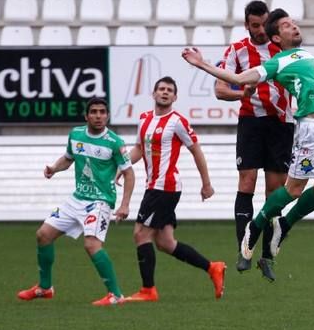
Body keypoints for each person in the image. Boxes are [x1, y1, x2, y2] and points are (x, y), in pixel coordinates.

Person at [182, 9, 314, 267]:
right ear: (275, 38)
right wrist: (202, 64)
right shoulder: (280, 62)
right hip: (312, 132)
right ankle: (256, 225)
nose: (294, 27)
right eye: (286, 25)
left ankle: (284, 224)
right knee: (294, 189)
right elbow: (238, 78)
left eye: (294, 23)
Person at [17, 97, 135, 306]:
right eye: (94, 112)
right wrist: (54, 168)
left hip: (100, 201)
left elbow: (129, 174)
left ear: (107, 115)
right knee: (43, 235)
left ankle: (116, 295)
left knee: (91, 245)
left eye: (102, 112)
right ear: (86, 115)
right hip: (77, 199)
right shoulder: (76, 134)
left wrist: (124, 204)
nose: (98, 116)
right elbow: (68, 158)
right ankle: (45, 288)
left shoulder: (115, 143)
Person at [123, 76, 226, 302]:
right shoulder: (144, 119)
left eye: (170, 90)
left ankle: (148, 290)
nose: (165, 92)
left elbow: (196, 150)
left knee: (140, 234)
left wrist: (206, 183)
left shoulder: (177, 121)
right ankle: (213, 268)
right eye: (161, 89)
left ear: (175, 97)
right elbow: (139, 149)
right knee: (165, 242)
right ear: (154, 93)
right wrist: (122, 167)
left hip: (165, 186)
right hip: (155, 185)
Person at [215, 1, 294, 282]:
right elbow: (220, 89)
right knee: (246, 182)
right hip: (251, 123)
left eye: (264, 24)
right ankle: (243, 250)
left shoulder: (282, 48)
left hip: (282, 125)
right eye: (255, 25)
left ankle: (267, 257)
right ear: (247, 25)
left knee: (275, 193)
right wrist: (242, 94)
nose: (260, 30)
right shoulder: (237, 50)